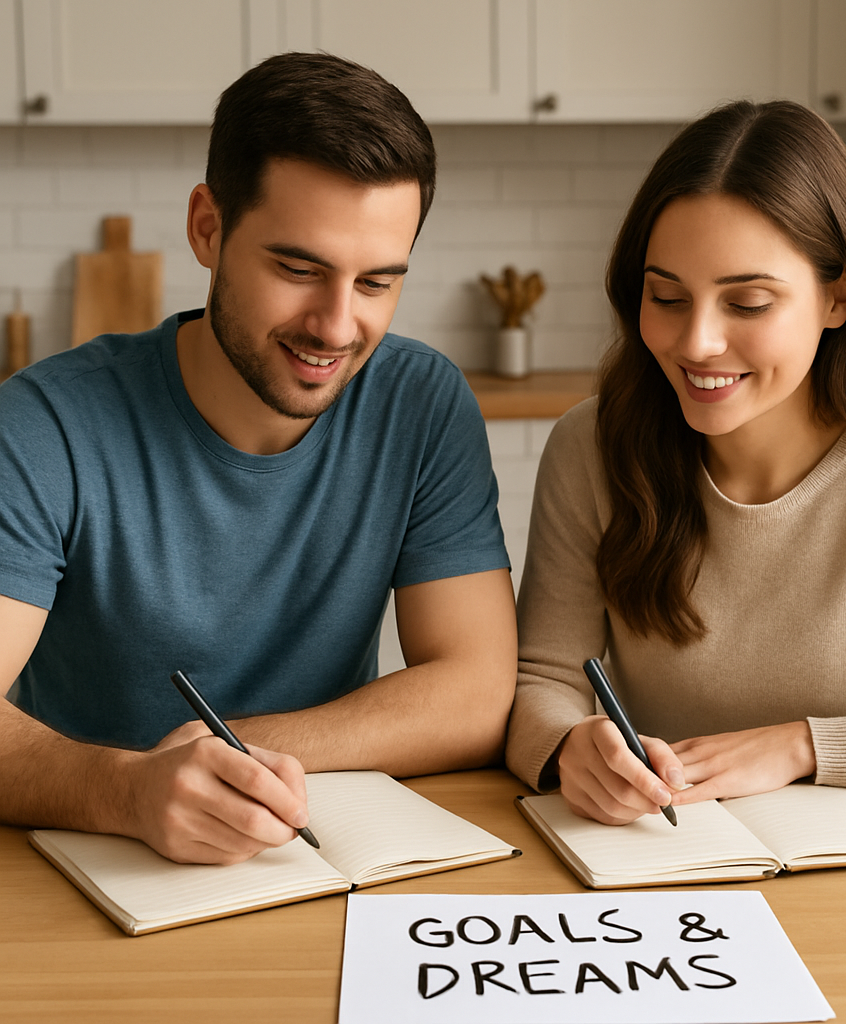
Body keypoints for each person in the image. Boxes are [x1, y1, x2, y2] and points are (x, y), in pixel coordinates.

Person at [0, 53, 517, 863]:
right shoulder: (43, 425)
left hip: (318, 849)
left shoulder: (420, 403)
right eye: (298, 269)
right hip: (91, 864)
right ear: (208, 227)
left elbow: (477, 691)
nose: (337, 326)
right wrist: (127, 788)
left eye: (377, 282)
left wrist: (232, 748)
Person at [505, 99, 846, 824]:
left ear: (837, 297)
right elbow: (541, 679)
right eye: (667, 296)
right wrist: (568, 745)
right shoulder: (592, 447)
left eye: (747, 302)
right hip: (668, 861)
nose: (698, 343)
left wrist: (804, 747)